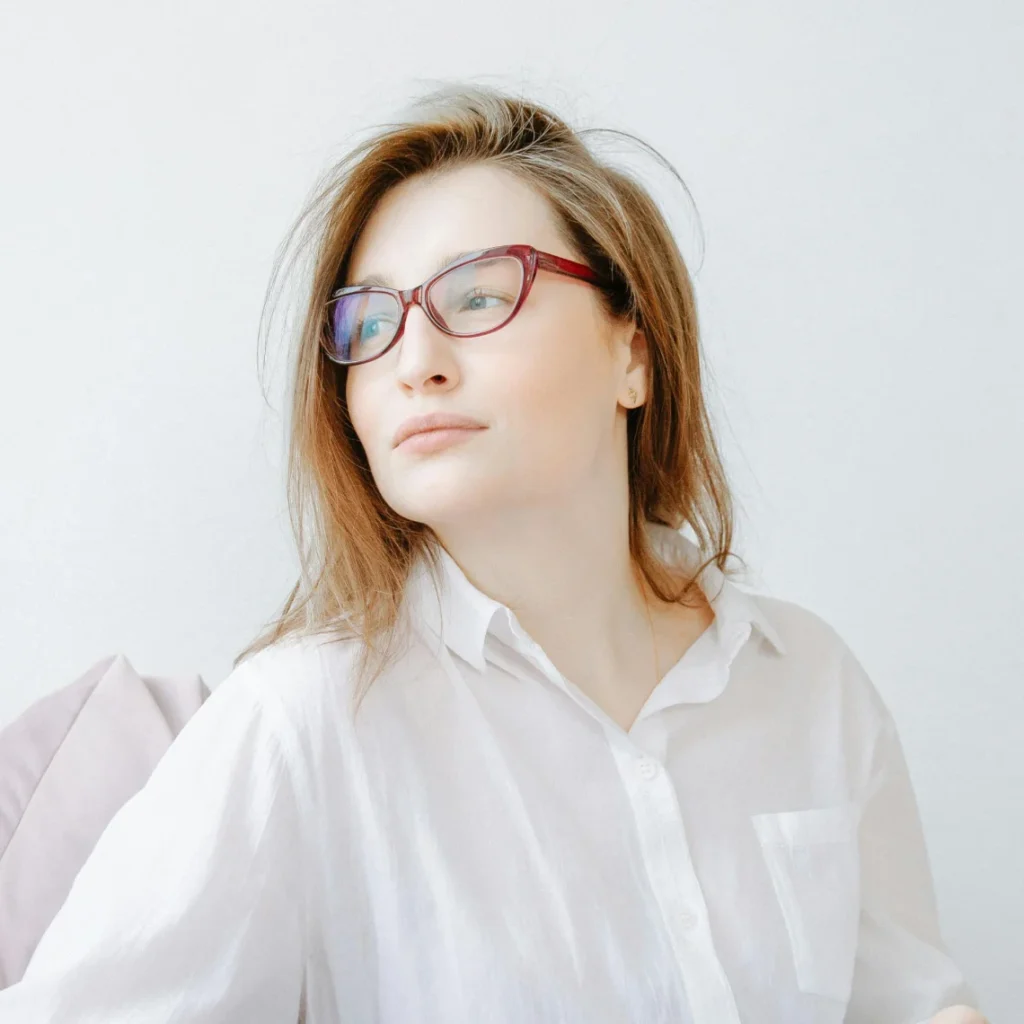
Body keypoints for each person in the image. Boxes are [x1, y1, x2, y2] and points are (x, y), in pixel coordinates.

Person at [0, 83, 988, 1024]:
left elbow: (908, 998)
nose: (414, 362)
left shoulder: (810, 680)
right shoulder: (300, 722)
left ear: (632, 353)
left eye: (477, 297)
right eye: (369, 322)